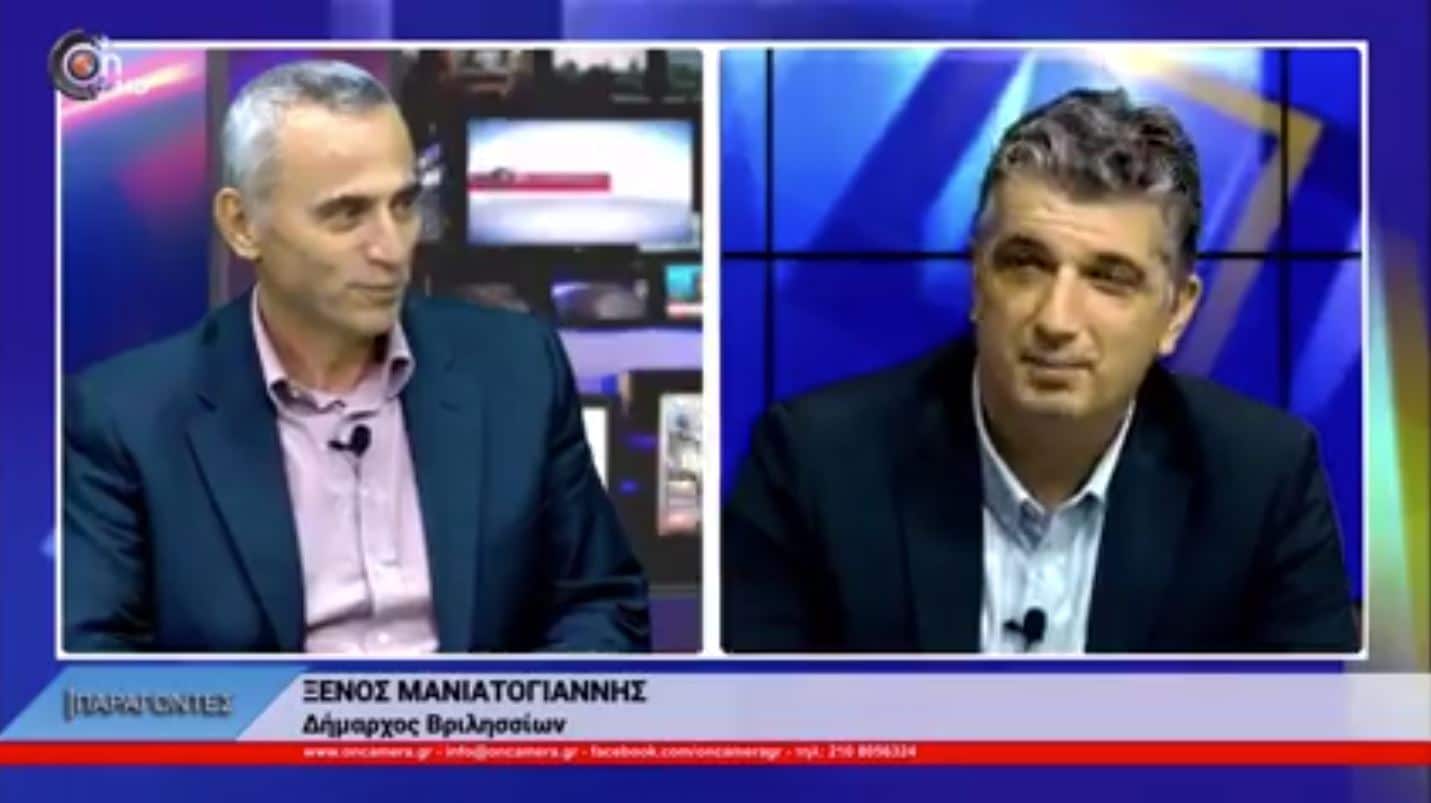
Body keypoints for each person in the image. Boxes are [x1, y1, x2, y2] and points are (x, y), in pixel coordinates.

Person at [722, 88, 1358, 655]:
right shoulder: (812, 463)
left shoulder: (1263, 480)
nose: (1057, 319)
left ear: (1175, 313)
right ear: (978, 280)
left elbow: (1307, 738)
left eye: (1110, 279)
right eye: (1026, 265)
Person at [64, 60, 649, 653]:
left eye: (404, 205)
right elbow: (94, 663)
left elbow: (601, 603)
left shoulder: (518, 368)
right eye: (347, 214)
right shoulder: (126, 418)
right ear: (242, 225)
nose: (392, 250)